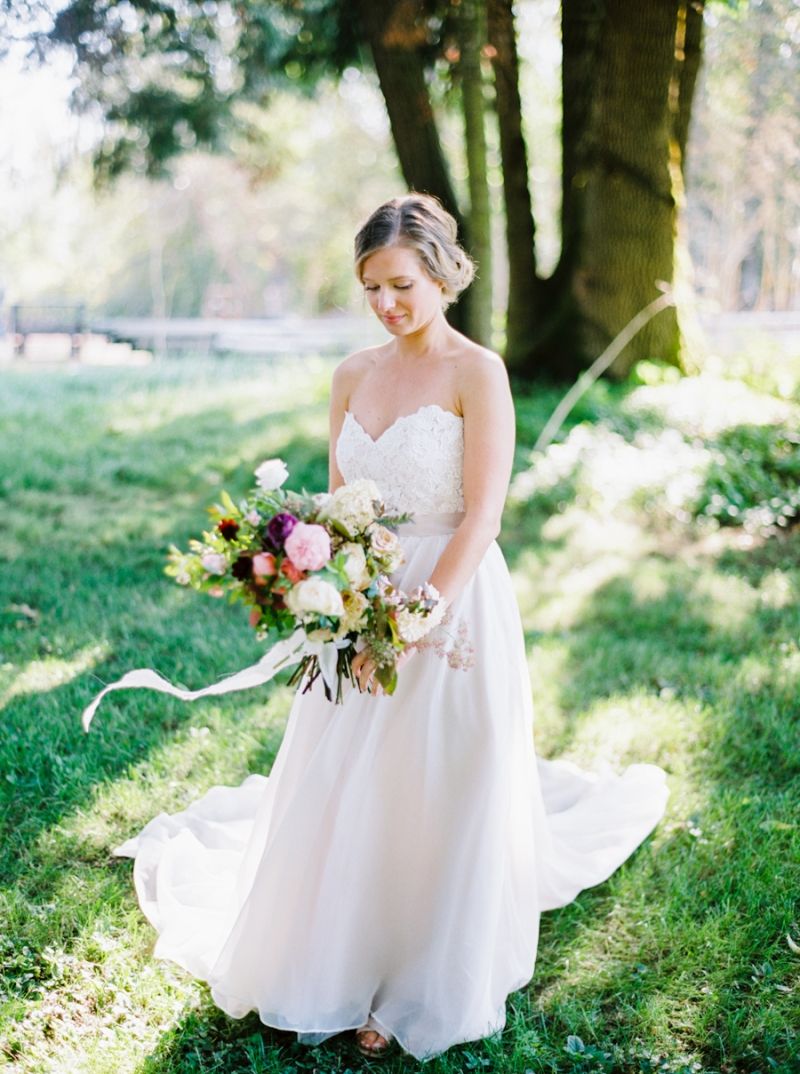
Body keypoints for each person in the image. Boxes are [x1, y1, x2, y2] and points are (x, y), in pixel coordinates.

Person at [112, 193, 669, 1062]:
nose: (385, 305)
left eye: (400, 284)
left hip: (451, 599)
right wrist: (322, 589)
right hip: (358, 597)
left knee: (442, 780)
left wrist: (412, 620)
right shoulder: (351, 375)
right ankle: (331, 955)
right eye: (371, 287)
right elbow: (338, 507)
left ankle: (417, 983)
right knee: (350, 782)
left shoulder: (476, 372)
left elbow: (482, 515)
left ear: (442, 273)